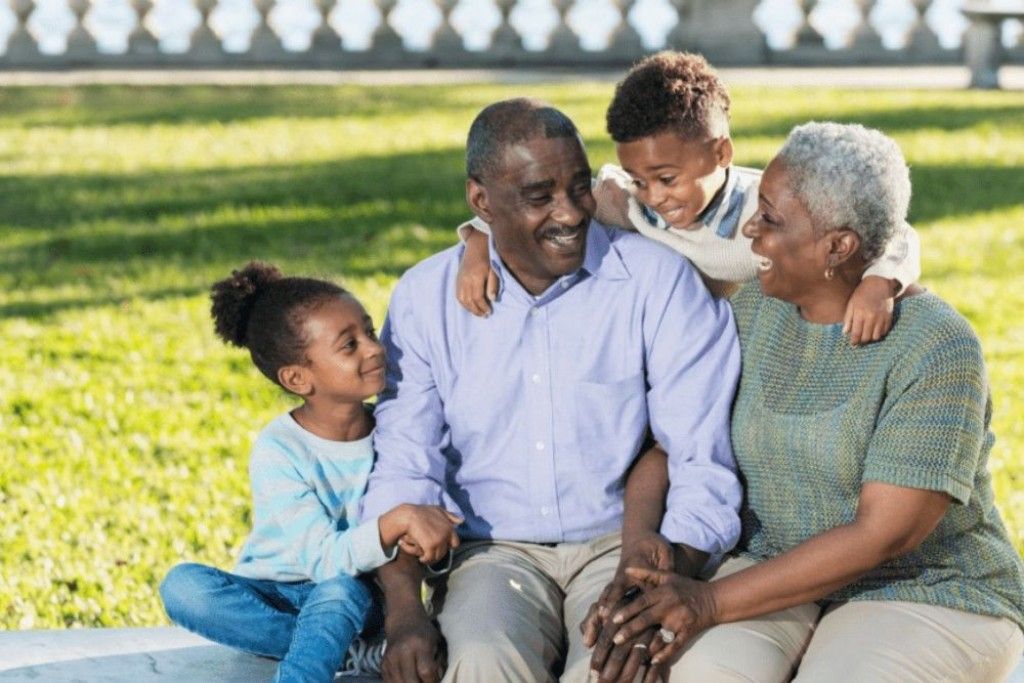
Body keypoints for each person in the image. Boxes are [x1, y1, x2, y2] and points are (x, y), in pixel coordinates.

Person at [589, 123, 1024, 682]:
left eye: (769, 218)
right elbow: (669, 448)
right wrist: (644, 546)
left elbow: (883, 535)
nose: (749, 229)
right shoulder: (751, 315)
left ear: (837, 247)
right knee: (696, 673)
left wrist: (708, 603)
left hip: (929, 587)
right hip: (770, 567)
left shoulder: (936, 347)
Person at [359, 98, 743, 682]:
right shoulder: (425, 298)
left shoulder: (655, 281)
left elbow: (700, 454)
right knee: (482, 660)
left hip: (624, 544)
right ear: (481, 202)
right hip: (492, 551)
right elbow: (405, 466)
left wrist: (666, 574)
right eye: (540, 196)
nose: (569, 213)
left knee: (619, 669)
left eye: (579, 187)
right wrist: (405, 615)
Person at [456, 51, 920, 346]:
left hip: (759, 341)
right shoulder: (625, 199)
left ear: (721, 153)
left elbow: (895, 233)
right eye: (641, 179)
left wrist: (880, 283)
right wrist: (478, 247)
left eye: (667, 178)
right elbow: (540, 213)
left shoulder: (772, 205)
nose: (654, 197)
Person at [159, 262, 462, 683]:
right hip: (274, 592)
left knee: (338, 591)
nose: (374, 349)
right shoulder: (280, 449)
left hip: (358, 597)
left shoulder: (396, 435)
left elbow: (421, 526)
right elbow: (321, 558)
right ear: (298, 378)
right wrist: (396, 522)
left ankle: (310, 664)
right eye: (349, 346)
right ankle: (348, 652)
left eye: (370, 333)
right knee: (182, 587)